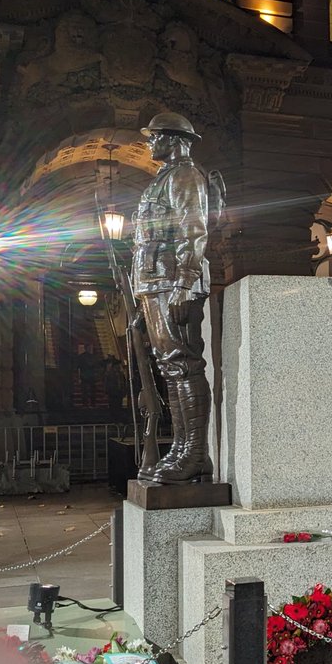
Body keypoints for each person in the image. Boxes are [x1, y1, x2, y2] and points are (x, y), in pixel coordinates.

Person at [131, 112, 221, 483]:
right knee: (170, 365)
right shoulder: (163, 179)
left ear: (174, 139)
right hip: (155, 281)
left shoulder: (185, 175)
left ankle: (194, 455)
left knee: (183, 364)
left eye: (154, 137)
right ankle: (181, 449)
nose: (150, 143)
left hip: (173, 279)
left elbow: (193, 229)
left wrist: (185, 281)